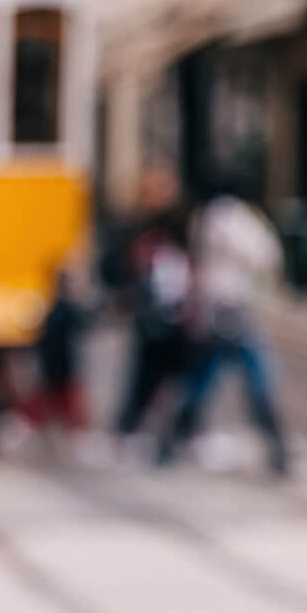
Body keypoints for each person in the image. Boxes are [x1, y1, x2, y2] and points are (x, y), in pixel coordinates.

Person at [155, 181, 291, 476]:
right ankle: (277, 449)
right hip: (232, 311)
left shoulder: (210, 219)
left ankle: (169, 442)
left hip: (222, 311)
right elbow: (266, 255)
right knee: (243, 380)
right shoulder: (234, 218)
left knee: (204, 381)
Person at [109, 170, 193, 447]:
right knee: (145, 375)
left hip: (178, 312)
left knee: (182, 377)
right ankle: (129, 429)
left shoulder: (180, 224)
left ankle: (178, 432)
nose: (164, 195)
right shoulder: (137, 228)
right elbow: (119, 266)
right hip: (150, 313)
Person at [0, 268, 90, 456]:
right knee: (55, 405)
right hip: (58, 368)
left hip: (54, 367)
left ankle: (70, 437)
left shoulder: (51, 310)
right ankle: (19, 430)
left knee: (53, 405)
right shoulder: (61, 310)